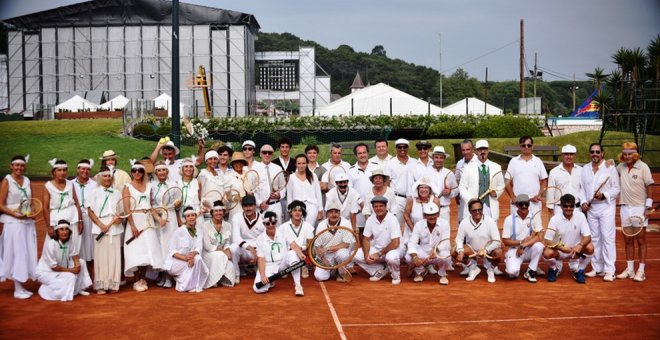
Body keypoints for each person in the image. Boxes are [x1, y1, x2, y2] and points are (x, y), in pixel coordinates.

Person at [580, 143, 620, 282]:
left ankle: (610, 270)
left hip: (606, 207)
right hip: (591, 209)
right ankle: (597, 268)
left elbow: (616, 189)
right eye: (592, 152)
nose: (595, 154)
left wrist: (604, 195)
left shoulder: (610, 168)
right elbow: (582, 188)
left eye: (598, 152)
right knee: (595, 238)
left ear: (602, 153)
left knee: (608, 238)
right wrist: (584, 202)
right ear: (589, 153)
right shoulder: (584, 169)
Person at [0, 155, 38, 299]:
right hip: (13, 223)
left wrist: (33, 213)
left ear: (25, 167)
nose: (19, 168)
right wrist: (16, 214)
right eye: (16, 165)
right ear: (11, 166)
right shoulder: (6, 181)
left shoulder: (27, 181)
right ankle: (17, 289)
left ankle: (21, 286)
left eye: (21, 166)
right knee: (18, 253)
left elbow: (32, 201)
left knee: (27, 251)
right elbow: (1, 204)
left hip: (27, 222)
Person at [123, 160, 164, 292]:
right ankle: (136, 280)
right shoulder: (127, 187)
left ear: (143, 172)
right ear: (131, 172)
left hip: (148, 221)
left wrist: (159, 219)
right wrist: (133, 226)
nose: (137, 173)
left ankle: (142, 279)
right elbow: (127, 208)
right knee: (135, 250)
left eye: (140, 170)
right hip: (134, 220)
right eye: (134, 170)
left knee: (148, 249)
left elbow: (151, 206)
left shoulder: (149, 186)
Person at [616, 142, 654, 282]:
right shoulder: (620, 167)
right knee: (627, 239)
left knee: (641, 239)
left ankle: (641, 271)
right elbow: (610, 172)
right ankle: (630, 269)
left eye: (630, 153)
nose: (627, 156)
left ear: (635, 154)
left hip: (639, 207)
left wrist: (648, 207)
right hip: (625, 207)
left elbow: (649, 186)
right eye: (625, 154)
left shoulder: (643, 167)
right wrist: (607, 163)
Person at [543, 194, 595, 284]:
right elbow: (547, 240)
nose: (568, 208)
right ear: (561, 206)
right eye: (565, 206)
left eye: (571, 206)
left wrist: (580, 245)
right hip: (560, 251)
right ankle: (554, 268)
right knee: (547, 253)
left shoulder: (581, 216)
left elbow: (588, 236)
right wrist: (561, 248)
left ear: (574, 206)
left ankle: (579, 270)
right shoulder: (555, 219)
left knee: (590, 247)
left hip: (575, 251)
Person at [87, 166, 123, 294]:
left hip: (115, 228)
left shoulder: (118, 193)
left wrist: (119, 219)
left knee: (114, 257)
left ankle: (113, 284)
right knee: (101, 257)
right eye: (105, 176)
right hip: (99, 228)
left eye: (109, 176)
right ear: (100, 177)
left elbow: (121, 212)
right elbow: (90, 211)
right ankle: (101, 285)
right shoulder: (94, 192)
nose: (107, 178)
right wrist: (100, 224)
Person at [36, 220, 92, 301]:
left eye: (66, 229)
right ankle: (45, 290)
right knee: (70, 276)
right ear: (57, 232)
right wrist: (72, 270)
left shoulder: (69, 241)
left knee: (81, 262)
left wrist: (77, 265)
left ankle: (78, 289)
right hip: (47, 272)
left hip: (61, 267)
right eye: (61, 229)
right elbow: (54, 267)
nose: (64, 232)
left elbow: (75, 255)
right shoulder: (51, 244)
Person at [253, 211, 305, 296]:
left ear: (276, 222)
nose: (270, 225)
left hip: (283, 263)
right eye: (267, 223)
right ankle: (271, 281)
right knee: (258, 289)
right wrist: (263, 275)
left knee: (292, 254)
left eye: (273, 223)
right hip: (269, 266)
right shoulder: (260, 239)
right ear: (264, 224)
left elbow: (293, 245)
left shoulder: (283, 232)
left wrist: (300, 254)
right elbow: (261, 259)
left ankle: (298, 285)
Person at [353, 196, 402, 285]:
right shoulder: (370, 219)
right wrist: (366, 255)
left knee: (391, 258)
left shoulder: (392, 219)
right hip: (378, 249)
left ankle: (396, 275)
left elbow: (395, 243)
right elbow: (366, 239)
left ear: (386, 206)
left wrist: (378, 254)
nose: (378, 208)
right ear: (373, 208)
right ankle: (380, 269)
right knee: (354, 254)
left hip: (394, 249)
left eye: (381, 206)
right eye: (376, 206)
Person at [455, 199, 502, 283]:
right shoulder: (464, 222)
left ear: (482, 209)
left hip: (487, 251)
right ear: (469, 211)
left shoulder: (490, 221)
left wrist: (485, 250)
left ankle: (490, 269)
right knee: (454, 250)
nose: (477, 212)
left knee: (499, 252)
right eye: (474, 210)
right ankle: (473, 268)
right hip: (472, 251)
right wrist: (460, 251)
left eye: (479, 209)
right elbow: (459, 239)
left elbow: (497, 241)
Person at [163, 207, 209, 293]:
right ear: (185, 219)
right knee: (195, 261)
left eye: (193, 215)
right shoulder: (179, 231)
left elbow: (199, 247)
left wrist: (192, 256)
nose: (191, 217)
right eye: (188, 216)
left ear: (196, 217)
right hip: (175, 262)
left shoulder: (199, 231)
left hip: (189, 260)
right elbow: (172, 251)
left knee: (198, 258)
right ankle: (184, 286)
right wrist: (185, 258)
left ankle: (192, 285)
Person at [43, 159, 84, 256]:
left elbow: (77, 203)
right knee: (56, 248)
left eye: (64, 170)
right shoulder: (47, 186)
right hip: (56, 221)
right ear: (54, 172)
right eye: (59, 170)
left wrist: (80, 221)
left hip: (73, 220)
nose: (62, 173)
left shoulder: (70, 184)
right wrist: (49, 227)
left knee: (74, 246)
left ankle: (73, 266)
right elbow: (45, 207)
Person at [501, 194, 545, 283]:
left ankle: (530, 270)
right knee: (512, 273)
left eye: (526, 204)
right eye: (521, 204)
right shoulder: (509, 219)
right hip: (514, 250)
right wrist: (520, 242)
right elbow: (505, 241)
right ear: (516, 205)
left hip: (528, 249)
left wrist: (523, 245)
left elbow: (540, 236)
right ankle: (510, 260)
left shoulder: (535, 217)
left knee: (539, 246)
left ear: (529, 204)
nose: (524, 206)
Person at [458, 139, 504, 223]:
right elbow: (462, 186)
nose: (482, 151)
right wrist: (470, 200)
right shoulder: (468, 168)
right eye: (480, 149)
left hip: (490, 207)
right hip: (473, 209)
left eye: (484, 149)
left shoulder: (497, 167)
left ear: (488, 150)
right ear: (475, 151)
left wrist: (496, 193)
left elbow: (501, 186)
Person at [406, 203, 452, 285]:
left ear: (438, 214)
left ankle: (442, 274)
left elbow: (446, 242)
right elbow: (412, 242)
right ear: (424, 215)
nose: (432, 217)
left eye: (434, 214)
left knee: (447, 257)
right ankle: (420, 272)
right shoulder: (418, 225)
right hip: (423, 252)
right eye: (429, 215)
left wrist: (436, 250)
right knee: (408, 257)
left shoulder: (445, 223)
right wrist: (415, 257)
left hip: (438, 252)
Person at [150, 160, 178, 288]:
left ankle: (169, 277)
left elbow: (178, 201)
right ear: (156, 173)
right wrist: (158, 215)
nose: (161, 172)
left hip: (170, 217)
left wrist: (177, 204)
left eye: (163, 170)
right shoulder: (152, 185)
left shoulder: (173, 184)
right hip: (156, 217)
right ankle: (161, 275)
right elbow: (150, 203)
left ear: (167, 172)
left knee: (169, 246)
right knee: (159, 246)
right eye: (159, 170)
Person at [505, 136, 548, 215]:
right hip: (518, 204)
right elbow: (507, 182)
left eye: (529, 145)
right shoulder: (513, 161)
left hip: (535, 204)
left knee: (536, 227)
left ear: (532, 146)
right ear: (520, 146)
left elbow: (544, 181)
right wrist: (513, 197)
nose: (526, 147)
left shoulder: (538, 161)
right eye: (523, 145)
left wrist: (539, 195)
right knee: (517, 227)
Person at [314, 201, 354, 282]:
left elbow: (346, 244)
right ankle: (333, 270)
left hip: (339, 252)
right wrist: (323, 259)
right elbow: (318, 246)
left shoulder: (346, 223)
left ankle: (340, 272)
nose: (334, 214)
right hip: (326, 256)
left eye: (336, 212)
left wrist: (328, 248)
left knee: (343, 254)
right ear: (326, 214)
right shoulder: (321, 225)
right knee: (320, 277)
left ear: (340, 213)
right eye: (331, 212)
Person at [230, 195, 265, 284]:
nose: (248, 208)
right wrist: (249, 247)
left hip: (258, 251)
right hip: (245, 250)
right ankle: (236, 274)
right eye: (245, 206)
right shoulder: (236, 217)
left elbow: (266, 239)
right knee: (233, 248)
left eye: (250, 205)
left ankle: (259, 268)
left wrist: (258, 255)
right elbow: (235, 237)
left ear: (255, 206)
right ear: (242, 207)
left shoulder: (263, 218)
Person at [402, 177, 441, 256]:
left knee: (430, 253)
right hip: (412, 230)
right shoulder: (411, 200)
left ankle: (429, 264)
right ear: (417, 189)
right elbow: (406, 215)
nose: (423, 190)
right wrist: (414, 231)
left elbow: (437, 216)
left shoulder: (435, 200)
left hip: (429, 231)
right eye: (421, 187)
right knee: (411, 255)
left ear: (430, 189)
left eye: (426, 187)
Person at [279, 200, 314, 285]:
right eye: (295, 210)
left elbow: (310, 243)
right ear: (290, 212)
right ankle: (287, 268)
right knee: (290, 254)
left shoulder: (308, 226)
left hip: (303, 254)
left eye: (300, 210)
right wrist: (292, 249)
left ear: (303, 213)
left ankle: (303, 266)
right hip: (288, 255)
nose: (297, 213)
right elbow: (280, 245)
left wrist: (301, 248)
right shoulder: (282, 227)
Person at [201, 200, 235, 288]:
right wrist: (223, 251)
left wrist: (228, 251)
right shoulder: (205, 225)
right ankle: (212, 280)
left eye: (220, 211)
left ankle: (221, 278)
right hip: (208, 253)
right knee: (220, 256)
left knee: (230, 265)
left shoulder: (228, 225)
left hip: (222, 253)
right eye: (216, 211)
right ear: (212, 212)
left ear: (223, 212)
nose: (218, 213)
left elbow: (227, 242)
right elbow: (207, 246)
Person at [71, 159, 97, 266]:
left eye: (88, 169)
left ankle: (89, 278)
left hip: (90, 218)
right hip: (74, 219)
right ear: (78, 169)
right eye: (83, 169)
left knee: (90, 248)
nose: (85, 171)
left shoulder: (95, 184)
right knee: (76, 247)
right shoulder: (70, 184)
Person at [421, 146, 457, 223]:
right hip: (429, 208)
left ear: (444, 159)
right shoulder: (425, 172)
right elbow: (420, 189)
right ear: (433, 158)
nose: (438, 160)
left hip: (444, 209)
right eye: (436, 157)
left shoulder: (449, 173)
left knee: (444, 233)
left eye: (441, 158)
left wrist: (450, 192)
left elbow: (456, 190)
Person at [385, 138, 417, 224]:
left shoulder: (415, 162)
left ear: (408, 148)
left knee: (414, 224)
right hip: (397, 199)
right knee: (395, 225)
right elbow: (387, 183)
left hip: (413, 198)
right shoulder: (390, 163)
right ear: (396, 148)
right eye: (399, 147)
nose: (402, 149)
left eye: (404, 147)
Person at [347, 143, 379, 229]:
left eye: (364, 152)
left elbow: (382, 185)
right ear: (356, 155)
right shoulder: (351, 171)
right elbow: (350, 190)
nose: (362, 155)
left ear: (368, 153)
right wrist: (361, 203)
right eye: (359, 153)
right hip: (358, 208)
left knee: (377, 231)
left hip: (376, 206)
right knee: (360, 232)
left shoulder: (377, 167)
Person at [287, 154, 323, 226]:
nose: (301, 165)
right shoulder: (291, 177)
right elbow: (289, 195)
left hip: (312, 206)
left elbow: (318, 193)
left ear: (307, 164)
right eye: (299, 163)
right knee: (299, 228)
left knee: (309, 227)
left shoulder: (313, 176)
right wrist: (289, 210)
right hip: (297, 207)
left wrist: (320, 209)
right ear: (296, 164)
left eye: (303, 163)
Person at [547, 145, 582, 215]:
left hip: (577, 209)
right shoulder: (554, 172)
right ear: (562, 155)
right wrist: (551, 210)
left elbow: (584, 190)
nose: (569, 157)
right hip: (559, 209)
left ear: (575, 155)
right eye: (566, 154)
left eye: (571, 154)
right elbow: (551, 192)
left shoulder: (581, 171)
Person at [257, 144, 284, 224]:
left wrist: (279, 195)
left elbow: (283, 186)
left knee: (278, 229)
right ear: (260, 154)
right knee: (262, 229)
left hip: (276, 205)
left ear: (272, 154)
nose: (267, 155)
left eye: (269, 153)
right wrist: (259, 203)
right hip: (262, 206)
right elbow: (251, 190)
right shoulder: (255, 169)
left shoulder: (278, 168)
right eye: (264, 152)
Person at [455, 139, 476, 224]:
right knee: (463, 222)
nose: (465, 152)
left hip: (476, 198)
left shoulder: (479, 162)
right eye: (463, 150)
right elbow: (457, 179)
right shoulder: (459, 163)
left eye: (468, 149)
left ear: (472, 149)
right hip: (463, 200)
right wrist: (457, 194)